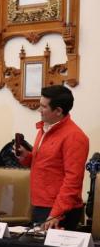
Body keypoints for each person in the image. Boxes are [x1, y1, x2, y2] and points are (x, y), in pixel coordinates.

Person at [15, 85, 89, 231]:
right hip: (40, 203)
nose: (39, 110)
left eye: (43, 107)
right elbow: (46, 164)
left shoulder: (75, 137)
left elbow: (73, 181)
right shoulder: (45, 128)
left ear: (58, 111)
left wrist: (56, 214)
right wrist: (26, 157)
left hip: (59, 210)